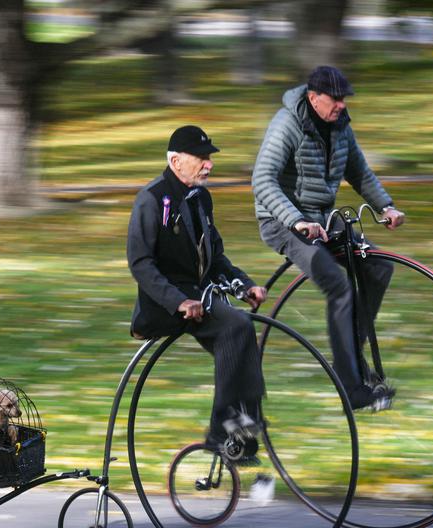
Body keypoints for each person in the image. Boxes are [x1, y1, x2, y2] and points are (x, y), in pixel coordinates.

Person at [252, 65, 406, 411]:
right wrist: (296, 221)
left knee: (378, 268)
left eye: (343, 98)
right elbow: (262, 181)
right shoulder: (287, 124)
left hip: (324, 220)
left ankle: (349, 355)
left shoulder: (340, 127)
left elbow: (359, 171)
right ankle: (350, 387)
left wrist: (386, 206)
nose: (341, 105)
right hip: (282, 222)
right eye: (335, 99)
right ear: (313, 97)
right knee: (338, 285)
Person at [127, 125, 269, 474]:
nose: (208, 165)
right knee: (235, 324)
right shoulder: (151, 198)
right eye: (201, 158)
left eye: (209, 159)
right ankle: (223, 432)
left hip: (198, 296)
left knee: (241, 330)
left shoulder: (201, 199)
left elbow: (215, 257)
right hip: (163, 304)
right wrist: (178, 302)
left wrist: (244, 285)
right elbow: (141, 264)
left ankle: (245, 425)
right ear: (176, 161)